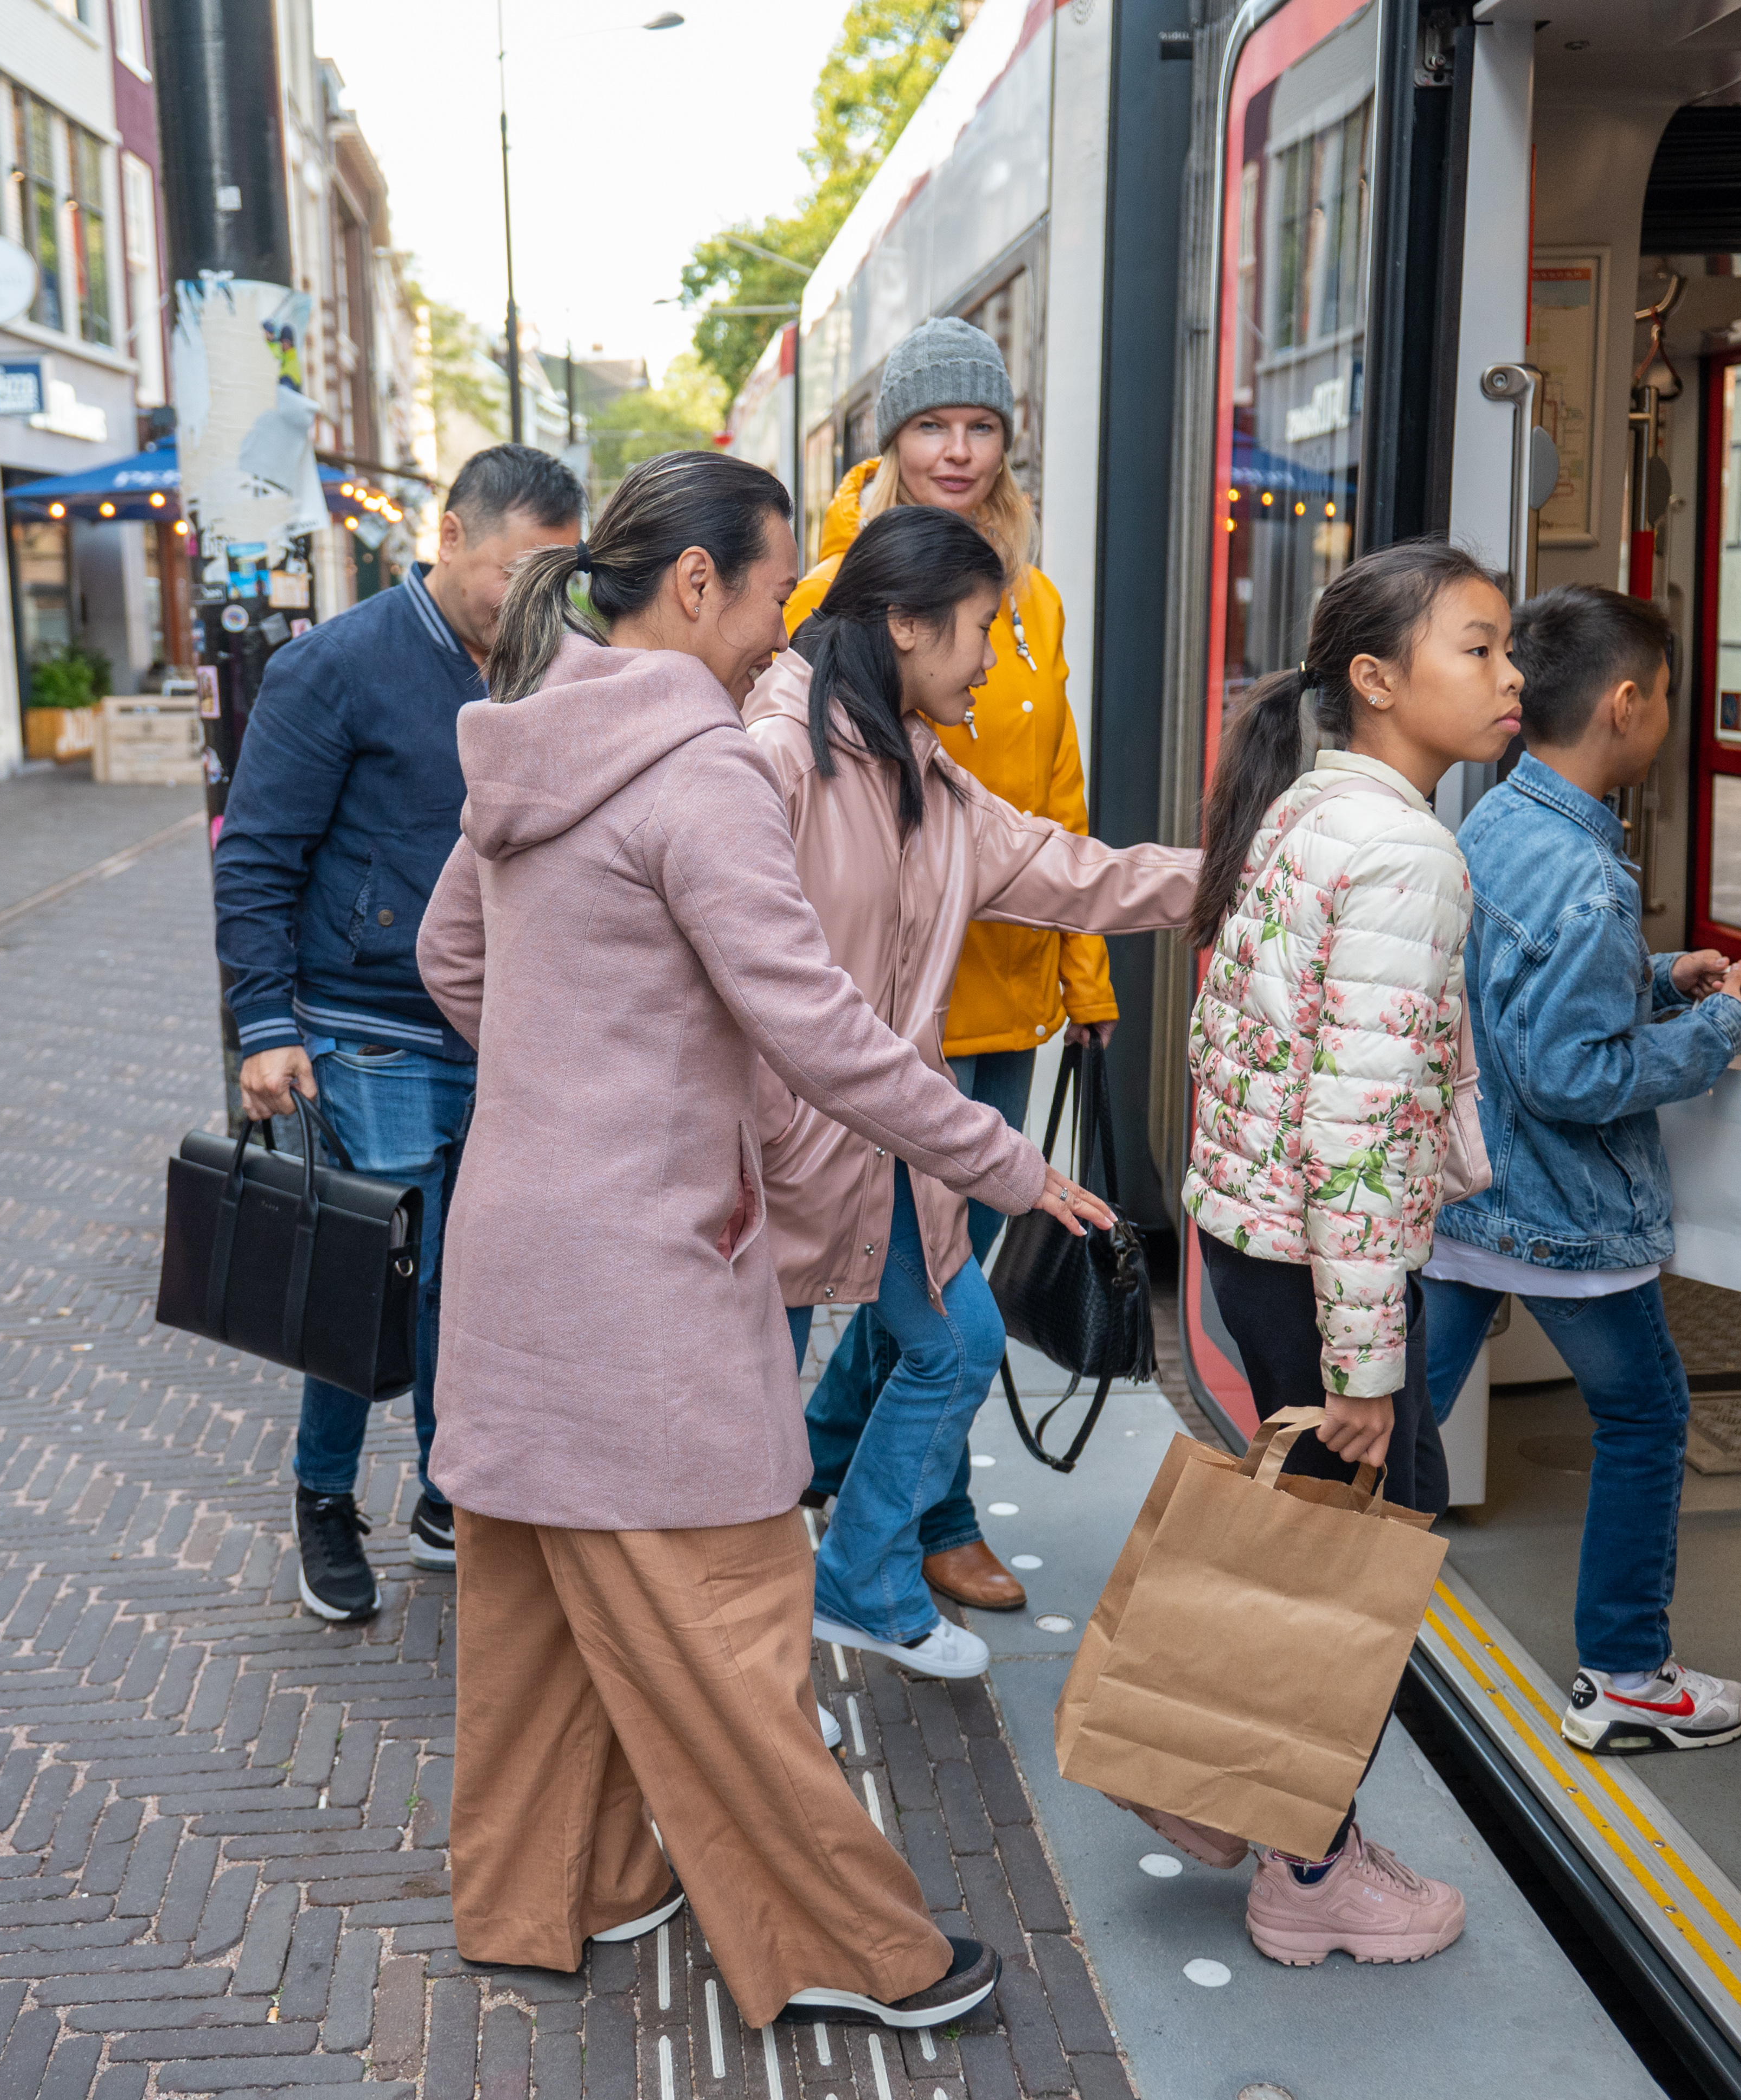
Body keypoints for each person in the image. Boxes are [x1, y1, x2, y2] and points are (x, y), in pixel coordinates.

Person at [413, 450, 1114, 2031]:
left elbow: (448, 951)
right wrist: (1003, 1160)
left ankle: (553, 1890)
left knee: (535, 1615)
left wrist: (566, 1083)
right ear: (696, 584)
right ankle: (846, 1948)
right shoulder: (707, 767)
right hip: (651, 1274)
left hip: (518, 1257)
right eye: (778, 583)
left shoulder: (533, 740)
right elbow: (821, 1029)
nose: (791, 619)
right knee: (732, 1616)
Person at [744, 504, 1201, 1679]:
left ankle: (857, 1581)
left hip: (892, 1142)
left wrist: (1255, 869)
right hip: (769, 1154)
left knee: (955, 1343)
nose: (994, 658)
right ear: (903, 624)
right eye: (980, 629)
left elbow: (1081, 873)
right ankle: (752, 1690)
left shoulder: (933, 784)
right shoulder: (777, 755)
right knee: (745, 1431)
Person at [1180, 538, 1524, 1967]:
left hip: (1255, 1237)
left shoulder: (1307, 806)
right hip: (1322, 1262)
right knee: (1361, 1557)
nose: (1510, 677)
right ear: (1375, 680)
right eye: (1477, 647)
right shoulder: (1403, 848)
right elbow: (1358, 1135)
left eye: (1507, 649)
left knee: (1300, 1540)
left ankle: (1218, 1786)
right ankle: (1305, 1869)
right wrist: (1368, 1365)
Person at [210, 445, 583, 1620]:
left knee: (474, 1279)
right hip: (371, 1023)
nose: (537, 595)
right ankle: (325, 1496)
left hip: (509, 1023)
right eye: (520, 568)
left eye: (560, 571)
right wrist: (266, 1021)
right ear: (452, 535)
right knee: (368, 1271)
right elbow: (257, 854)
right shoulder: (335, 667)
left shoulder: (559, 665)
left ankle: (443, 1491)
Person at [1411, 586, 1741, 1757]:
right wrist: (1717, 1033)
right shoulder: (1591, 874)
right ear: (1624, 705)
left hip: (1466, 1196)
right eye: (1666, 697)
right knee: (1647, 1415)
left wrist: (1661, 977)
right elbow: (1570, 1069)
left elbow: (1516, 1001)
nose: (1668, 715)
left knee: (1399, 1425)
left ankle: (1323, 1611)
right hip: (1564, 1218)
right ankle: (1626, 1671)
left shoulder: (1494, 821)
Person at [784, 316, 1103, 1617]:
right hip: (882, 1004)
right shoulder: (828, 590)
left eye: (979, 427)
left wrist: (1086, 989)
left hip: (1005, 992)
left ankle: (834, 1466)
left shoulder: (1030, 601)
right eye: (932, 427)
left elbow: (1062, 800)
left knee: (939, 1264)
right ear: (893, 440)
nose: (958, 450)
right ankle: (931, 1514)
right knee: (928, 1284)